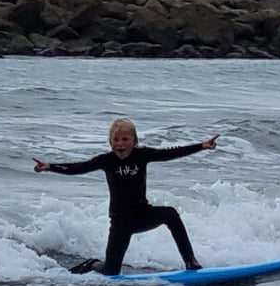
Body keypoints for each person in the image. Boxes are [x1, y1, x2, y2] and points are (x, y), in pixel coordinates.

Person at [33, 117, 218, 275]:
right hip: (121, 222)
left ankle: (190, 262)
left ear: (134, 140)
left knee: (170, 214)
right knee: (110, 272)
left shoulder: (142, 155)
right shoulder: (106, 160)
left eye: (125, 139)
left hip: (143, 214)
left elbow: (170, 153)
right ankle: (91, 264)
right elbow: (77, 168)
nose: (120, 144)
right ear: (110, 142)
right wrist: (51, 166)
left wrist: (201, 146)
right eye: (116, 140)